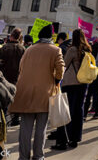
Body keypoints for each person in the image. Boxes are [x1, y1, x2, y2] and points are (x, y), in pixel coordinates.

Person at [9, 24, 64, 160]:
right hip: (45, 93)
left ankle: (23, 156)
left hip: (26, 92)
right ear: (51, 37)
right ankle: (38, 156)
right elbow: (60, 71)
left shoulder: (29, 49)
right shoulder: (55, 50)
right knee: (41, 128)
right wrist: (56, 81)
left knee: (25, 128)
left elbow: (21, 68)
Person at [51, 28, 91, 150]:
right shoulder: (88, 49)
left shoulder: (73, 49)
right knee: (78, 111)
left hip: (71, 84)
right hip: (83, 83)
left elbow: (64, 65)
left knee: (65, 112)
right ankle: (75, 138)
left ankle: (62, 141)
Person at [0, 27, 25, 126]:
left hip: (4, 78)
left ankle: (4, 120)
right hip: (17, 78)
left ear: (11, 36)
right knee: (16, 99)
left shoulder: (4, 48)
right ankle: (15, 118)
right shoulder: (22, 49)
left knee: (4, 98)